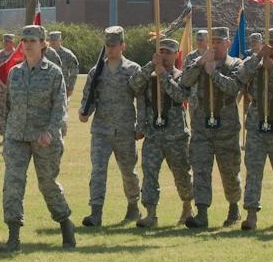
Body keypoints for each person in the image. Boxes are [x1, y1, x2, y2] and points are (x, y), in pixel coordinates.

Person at [0, 25, 74, 253]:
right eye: (25, 40)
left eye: (32, 40)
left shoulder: (53, 73)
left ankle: (65, 224)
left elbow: (60, 107)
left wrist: (50, 131)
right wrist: (7, 131)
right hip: (17, 136)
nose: (27, 44)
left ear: (43, 44)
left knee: (47, 184)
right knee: (12, 183)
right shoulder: (14, 72)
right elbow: (8, 105)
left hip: (44, 138)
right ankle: (13, 237)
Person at [77, 26, 142, 227]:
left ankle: (133, 207)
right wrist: (84, 111)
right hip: (101, 129)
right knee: (98, 170)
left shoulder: (133, 69)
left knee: (128, 171)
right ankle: (95, 212)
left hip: (124, 129)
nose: (110, 49)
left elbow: (141, 99)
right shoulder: (96, 71)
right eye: (107, 45)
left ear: (123, 45)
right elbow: (89, 97)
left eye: (114, 45)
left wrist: (141, 124)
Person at [234, 28, 273, 230]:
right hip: (256, 127)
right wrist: (257, 60)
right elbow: (240, 78)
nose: (271, 46)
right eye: (268, 42)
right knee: (253, 172)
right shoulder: (255, 63)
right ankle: (251, 214)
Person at [180, 27, 243, 228]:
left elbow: (233, 88)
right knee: (200, 168)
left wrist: (214, 73)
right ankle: (202, 212)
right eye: (212, 41)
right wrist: (200, 63)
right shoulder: (198, 63)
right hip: (201, 125)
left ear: (227, 43)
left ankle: (233, 207)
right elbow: (185, 81)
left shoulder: (235, 64)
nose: (215, 45)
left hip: (226, 127)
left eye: (219, 41)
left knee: (229, 170)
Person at [129, 37, 193, 229]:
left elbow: (181, 95)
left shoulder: (181, 76)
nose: (164, 55)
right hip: (153, 135)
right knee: (149, 174)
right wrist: (151, 66)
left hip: (176, 136)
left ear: (175, 55)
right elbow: (133, 85)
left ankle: (187, 206)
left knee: (182, 174)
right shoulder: (149, 75)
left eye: (168, 52)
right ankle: (151, 214)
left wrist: (164, 75)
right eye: (161, 52)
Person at [0, 34, 18, 136]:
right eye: (5, 41)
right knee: (1, 112)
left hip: (15, 89)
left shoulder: (18, 55)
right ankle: (3, 133)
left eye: (9, 41)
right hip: (0, 90)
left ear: (13, 42)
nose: (6, 43)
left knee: (13, 112)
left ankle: (12, 134)